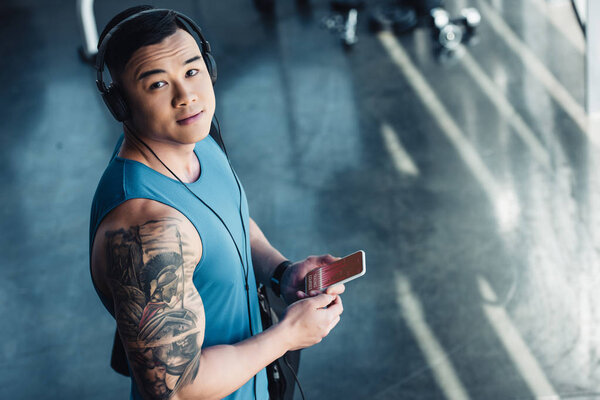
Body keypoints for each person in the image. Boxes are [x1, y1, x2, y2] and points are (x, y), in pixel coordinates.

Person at [89, 5, 345, 400]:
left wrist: (281, 272)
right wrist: (287, 335)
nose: (186, 96)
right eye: (158, 85)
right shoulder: (146, 228)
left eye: (192, 71)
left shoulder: (197, 142)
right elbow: (176, 388)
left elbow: (231, 219)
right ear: (120, 105)